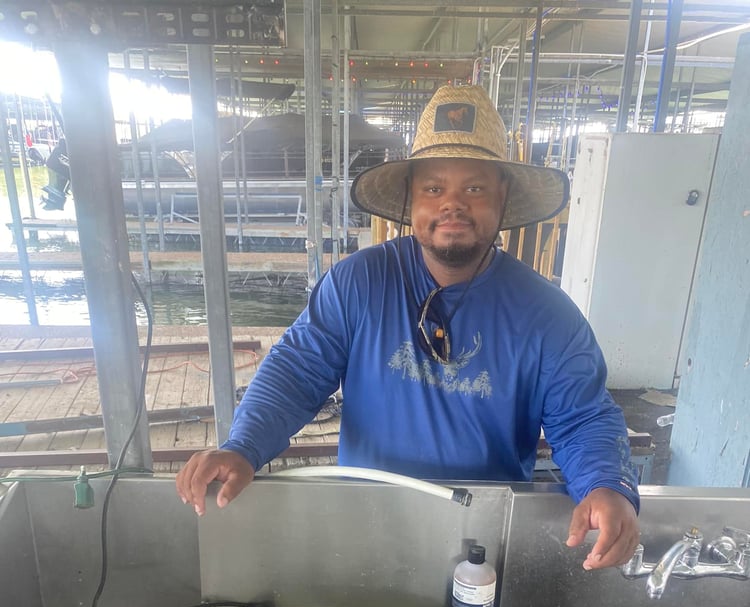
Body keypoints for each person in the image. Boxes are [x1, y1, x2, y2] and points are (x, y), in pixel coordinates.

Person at [176, 84, 640, 571]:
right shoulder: (359, 281)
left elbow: (583, 417)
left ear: (502, 198)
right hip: (360, 521)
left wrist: (607, 485)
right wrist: (242, 446)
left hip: (483, 539)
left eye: (475, 188)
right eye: (434, 188)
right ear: (410, 199)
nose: (452, 204)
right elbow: (297, 371)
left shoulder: (548, 314)